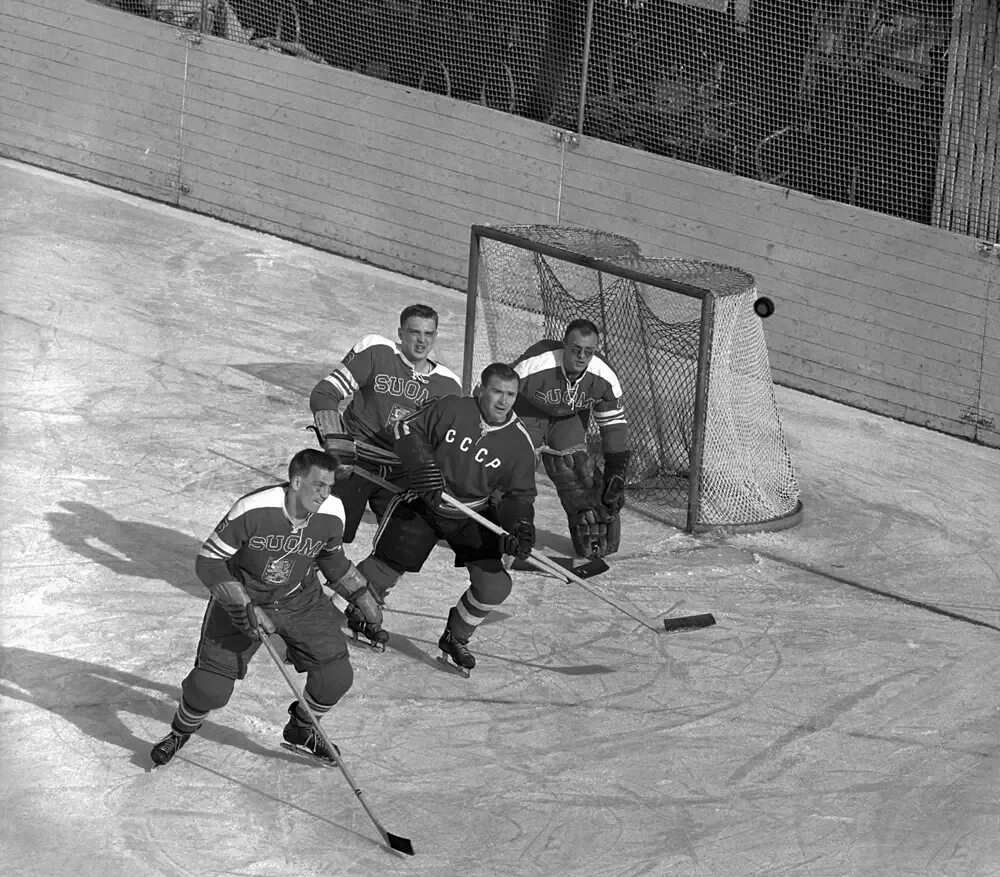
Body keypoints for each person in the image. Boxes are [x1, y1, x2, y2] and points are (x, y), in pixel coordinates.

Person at [149, 449, 384, 766]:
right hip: (243, 597)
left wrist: (361, 593)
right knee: (210, 689)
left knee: (336, 677)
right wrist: (243, 604)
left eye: (329, 486)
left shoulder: (332, 511)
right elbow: (209, 562)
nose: (325, 493)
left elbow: (331, 557)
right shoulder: (254, 509)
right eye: (318, 485)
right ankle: (180, 731)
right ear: (296, 481)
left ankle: (302, 728)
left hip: (300, 597)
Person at [346, 362, 538, 672]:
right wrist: (422, 466)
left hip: (472, 511)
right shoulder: (452, 407)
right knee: (382, 569)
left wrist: (520, 525)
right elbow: (405, 428)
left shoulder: (519, 443)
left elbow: (520, 494)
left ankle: (456, 636)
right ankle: (361, 613)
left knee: (494, 587)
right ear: (480, 390)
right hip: (425, 498)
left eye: (511, 395)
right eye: (496, 392)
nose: (503, 401)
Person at [308, 304, 461, 646]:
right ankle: (292, 591)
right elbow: (324, 393)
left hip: (399, 470)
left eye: (428, 333)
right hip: (355, 459)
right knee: (327, 533)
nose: (421, 340)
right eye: (414, 332)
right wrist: (335, 436)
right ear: (401, 333)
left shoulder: (448, 386)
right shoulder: (376, 351)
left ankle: (362, 604)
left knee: (406, 542)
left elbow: (448, 443)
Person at [511, 318, 630, 559]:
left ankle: (588, 532)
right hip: (526, 413)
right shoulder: (535, 365)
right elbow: (492, 393)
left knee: (576, 470)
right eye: (575, 349)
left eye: (589, 351)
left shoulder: (603, 376)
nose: (582, 356)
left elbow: (614, 427)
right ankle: (498, 529)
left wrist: (616, 473)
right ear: (564, 345)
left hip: (567, 418)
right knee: (512, 471)